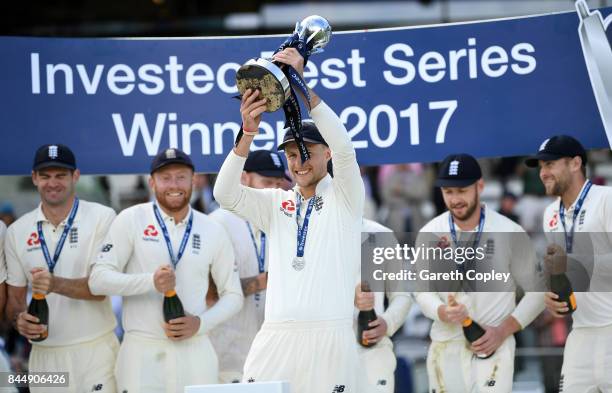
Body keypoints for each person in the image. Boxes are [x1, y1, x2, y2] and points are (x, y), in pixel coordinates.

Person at [213, 47, 364, 393]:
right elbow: (225, 194)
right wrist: (247, 132)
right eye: (292, 155)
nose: (299, 163)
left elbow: (345, 148)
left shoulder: (345, 197)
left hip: (330, 338)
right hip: (275, 337)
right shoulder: (276, 203)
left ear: (325, 153)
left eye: (307, 153)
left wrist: (300, 84)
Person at [88, 148, 243, 393]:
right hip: (142, 352)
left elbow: (234, 295)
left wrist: (201, 323)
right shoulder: (131, 219)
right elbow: (98, 280)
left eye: (181, 177)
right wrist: (150, 281)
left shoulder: (212, 228)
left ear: (194, 180)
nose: (174, 184)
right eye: (165, 178)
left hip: (196, 348)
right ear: (152, 183)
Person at [414, 154, 544, 393]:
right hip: (446, 346)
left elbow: (538, 293)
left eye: (462, 190)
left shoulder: (510, 231)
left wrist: (503, 330)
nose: (455, 199)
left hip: (494, 345)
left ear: (480, 186)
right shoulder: (429, 233)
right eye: (448, 192)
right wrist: (441, 311)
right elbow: (421, 291)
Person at [4, 144, 118, 392]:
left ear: (75, 176)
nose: (52, 183)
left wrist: (55, 283)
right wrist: (19, 320)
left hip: (95, 351)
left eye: (60, 176)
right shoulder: (16, 232)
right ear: (34, 178)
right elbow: (14, 300)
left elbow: (100, 288)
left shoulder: (103, 217)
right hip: (45, 358)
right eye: (45, 176)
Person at [526, 135, 612, 392]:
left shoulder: (606, 199)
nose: (543, 173)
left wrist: (574, 262)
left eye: (550, 164)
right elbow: (561, 271)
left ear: (575, 163)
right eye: (541, 166)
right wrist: (550, 295)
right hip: (581, 332)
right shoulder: (550, 214)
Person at [208, 150, 288, 383]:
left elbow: (399, 292)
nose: (273, 190)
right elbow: (207, 292)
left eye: (277, 183)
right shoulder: (217, 222)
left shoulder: (285, 220)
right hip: (227, 356)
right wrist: (265, 281)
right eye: (266, 182)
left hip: (273, 356)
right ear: (244, 178)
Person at [354, 218, 412, 393]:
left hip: (373, 351)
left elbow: (402, 295)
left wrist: (386, 322)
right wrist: (350, 299)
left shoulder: (382, 235)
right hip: (327, 352)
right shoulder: (310, 235)